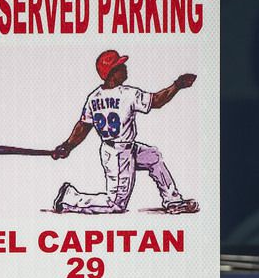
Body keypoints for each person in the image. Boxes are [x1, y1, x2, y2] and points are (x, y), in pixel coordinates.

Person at [51, 50, 199, 215]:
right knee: (115, 204)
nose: (125, 67)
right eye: (120, 66)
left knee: (153, 156)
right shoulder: (127, 94)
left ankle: (173, 201)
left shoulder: (93, 97)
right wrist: (177, 85)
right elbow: (157, 101)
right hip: (118, 155)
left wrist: (67, 146)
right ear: (112, 74)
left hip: (121, 149)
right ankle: (69, 198)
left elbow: (83, 126)